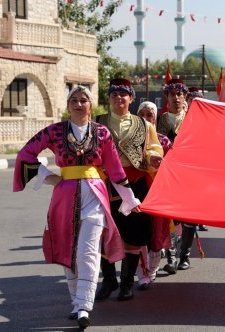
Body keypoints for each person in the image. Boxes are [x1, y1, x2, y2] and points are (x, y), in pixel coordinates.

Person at [13, 86, 140, 329]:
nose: (79, 104)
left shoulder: (102, 133)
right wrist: (48, 176)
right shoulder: (54, 131)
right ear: (68, 105)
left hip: (94, 196)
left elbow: (115, 170)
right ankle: (75, 301)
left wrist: (129, 198)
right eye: (74, 100)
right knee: (68, 252)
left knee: (88, 252)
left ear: (91, 106)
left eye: (84, 100)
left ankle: (84, 306)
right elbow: (25, 154)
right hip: (63, 198)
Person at [94, 78, 164, 302]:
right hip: (105, 184)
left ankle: (126, 284)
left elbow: (155, 148)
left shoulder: (144, 125)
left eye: (123, 94)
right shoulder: (97, 123)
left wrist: (154, 158)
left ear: (131, 98)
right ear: (109, 98)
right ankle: (108, 280)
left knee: (134, 234)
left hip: (135, 184)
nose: (118, 98)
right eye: (114, 94)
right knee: (102, 231)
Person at [157, 79, 204, 271]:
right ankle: (171, 257)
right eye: (172, 94)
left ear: (185, 97)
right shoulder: (160, 121)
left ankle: (185, 256)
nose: (176, 98)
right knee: (169, 217)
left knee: (189, 218)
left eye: (179, 94)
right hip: (166, 174)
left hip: (189, 174)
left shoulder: (195, 119)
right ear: (166, 97)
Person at [135, 101, 173, 288]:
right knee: (138, 233)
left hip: (158, 193)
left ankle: (153, 268)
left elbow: (174, 167)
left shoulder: (164, 141)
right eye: (142, 114)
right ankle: (142, 274)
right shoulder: (129, 141)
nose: (146, 118)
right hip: (136, 191)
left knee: (157, 234)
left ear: (155, 118)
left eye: (150, 115)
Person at [186, 87, 209, 232]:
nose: (194, 102)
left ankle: (200, 219)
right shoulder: (183, 116)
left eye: (197, 100)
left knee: (202, 193)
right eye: (191, 100)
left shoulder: (207, 117)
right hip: (187, 161)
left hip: (202, 161)